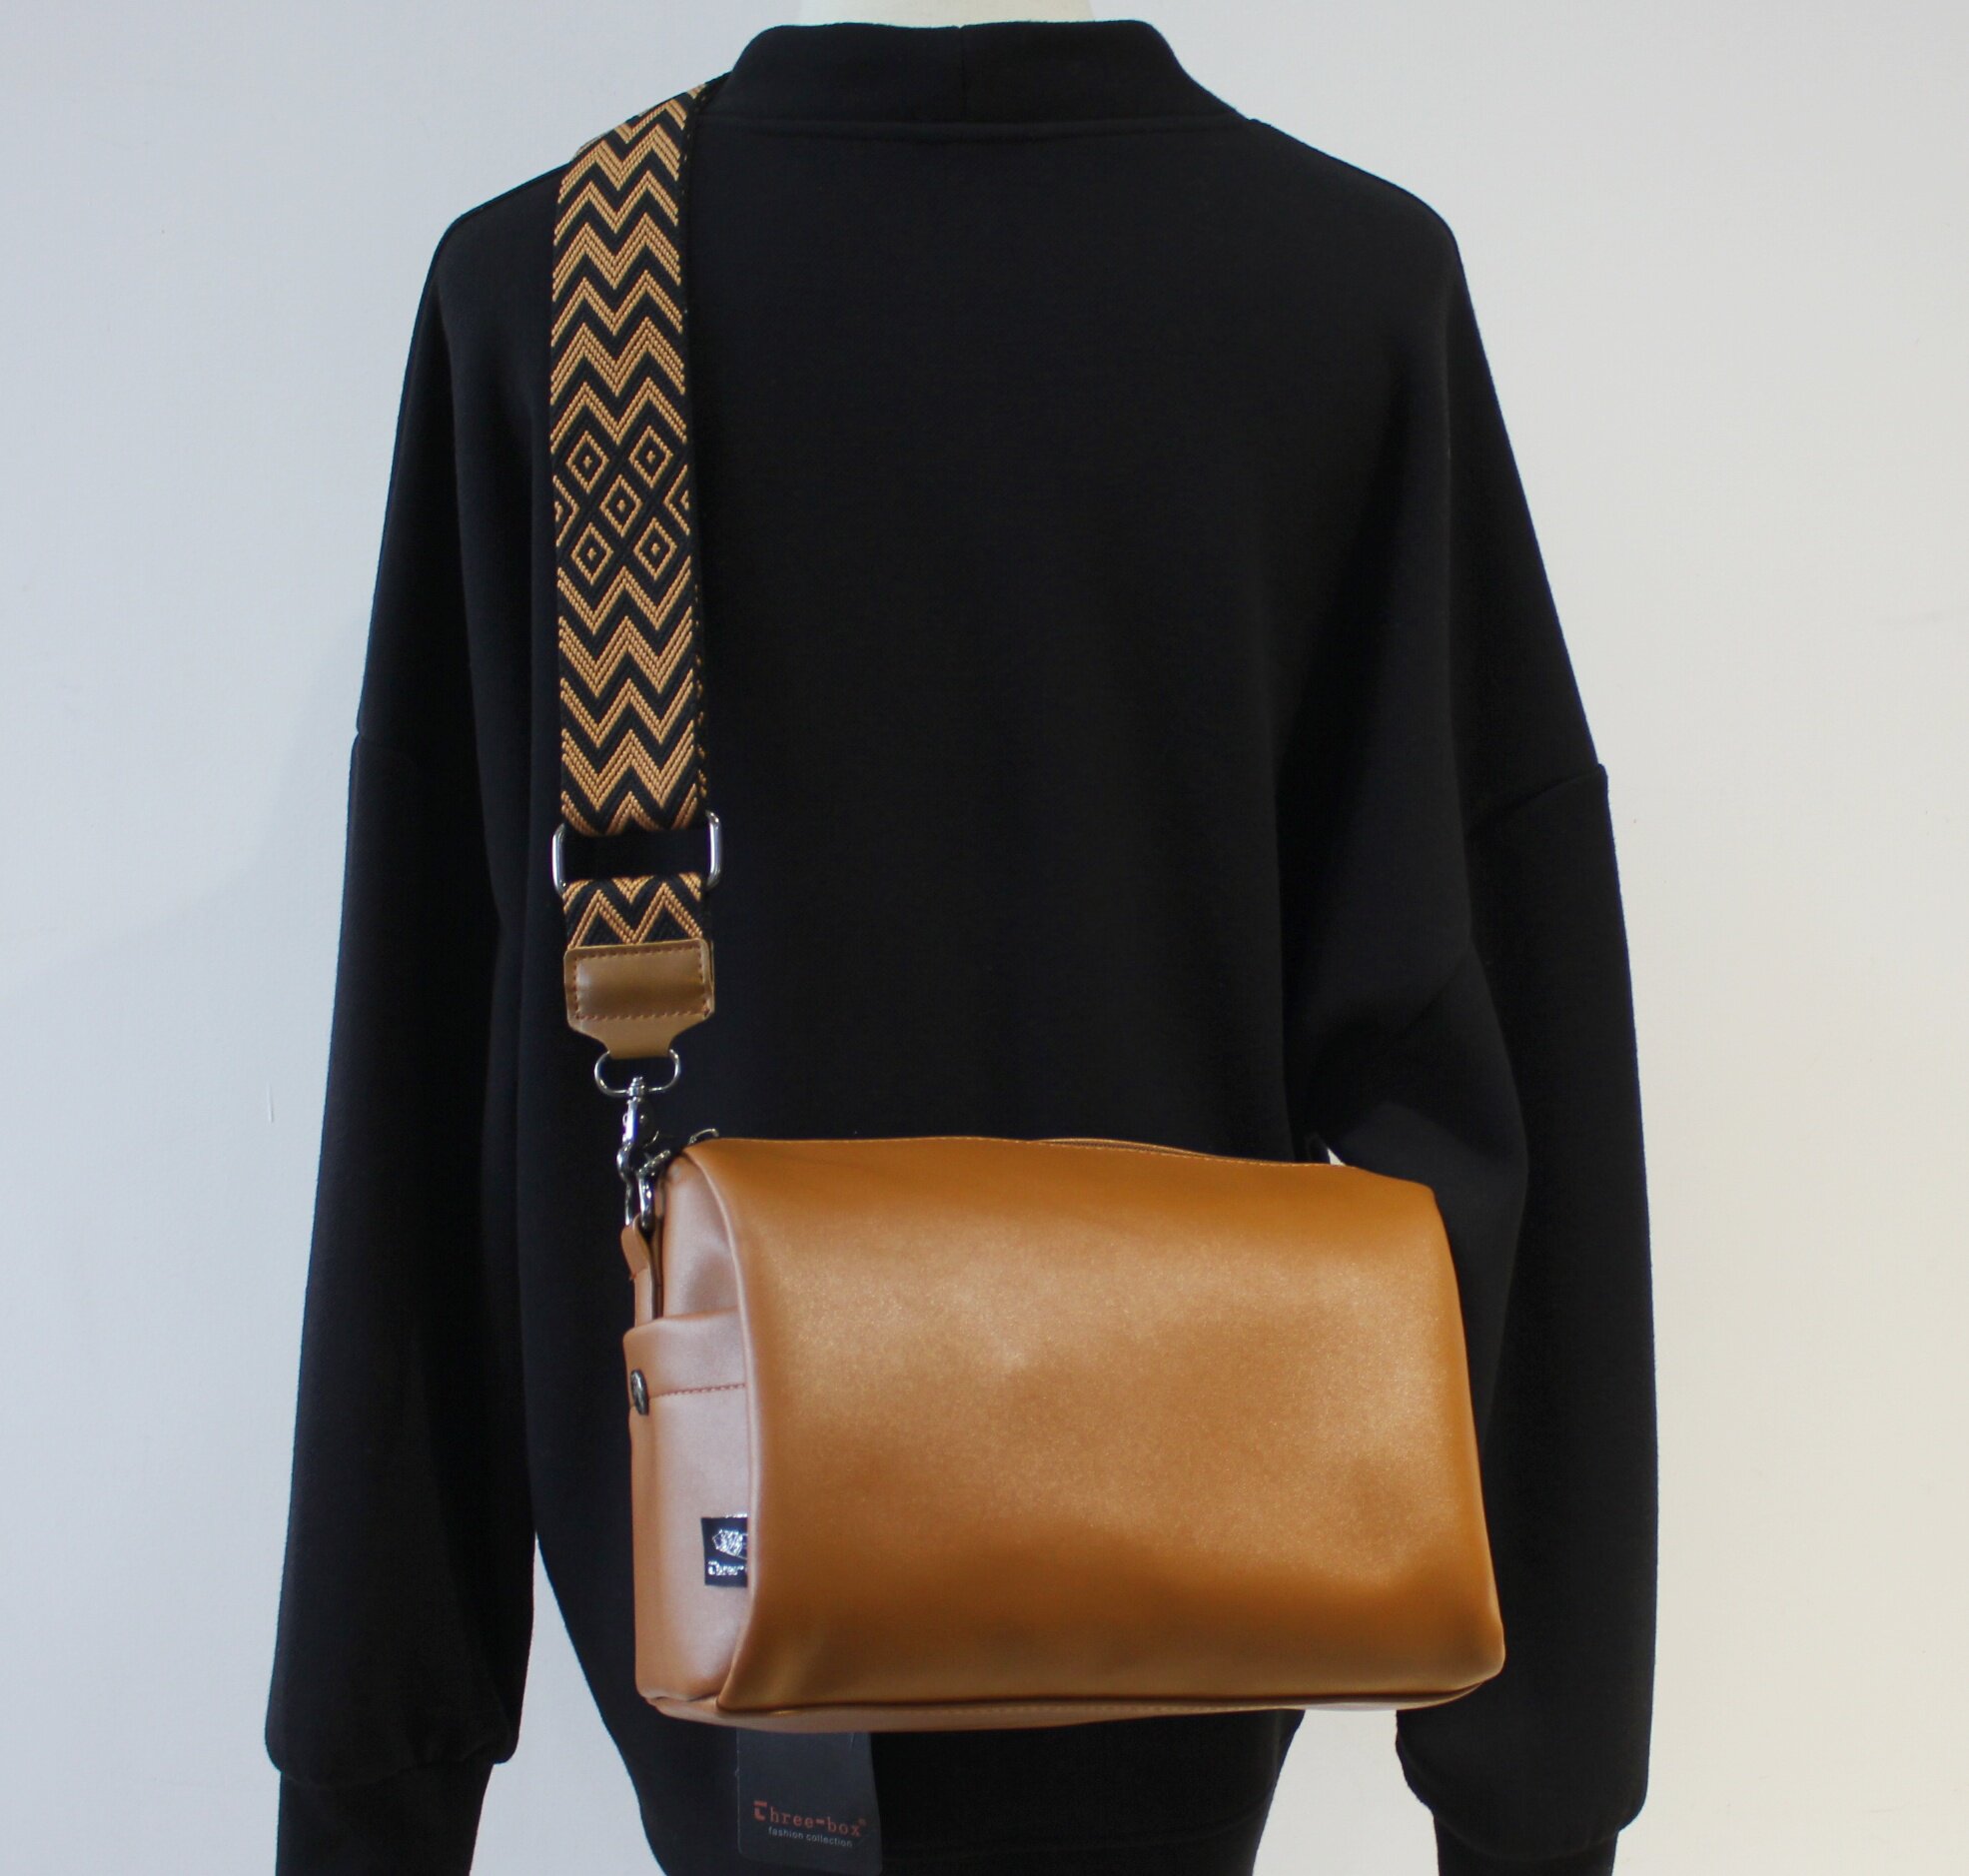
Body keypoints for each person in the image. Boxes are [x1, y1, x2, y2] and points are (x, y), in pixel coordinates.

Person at [266, 19, 1656, 1874]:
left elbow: (423, 1117)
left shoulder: (565, 288)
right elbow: (1499, 1064)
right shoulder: (1338, 282)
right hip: (1165, 1586)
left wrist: (369, 1797)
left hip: (770, 1643)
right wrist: (1535, 1790)